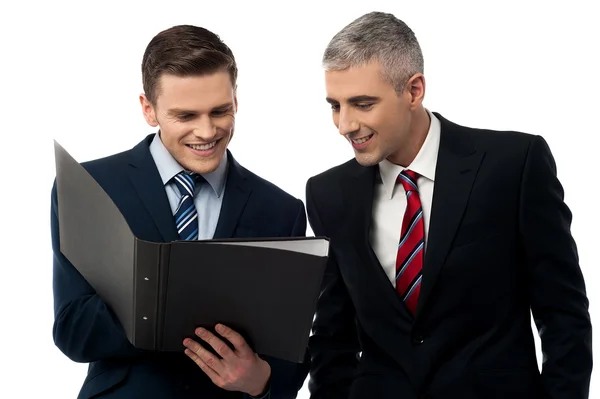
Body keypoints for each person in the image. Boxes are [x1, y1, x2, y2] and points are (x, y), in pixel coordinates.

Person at [305, 11, 592, 399]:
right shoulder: (328, 193)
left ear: (413, 90)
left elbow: (564, 317)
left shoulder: (513, 165)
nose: (344, 125)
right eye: (335, 106)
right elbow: (331, 338)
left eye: (362, 104)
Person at [51, 25, 308, 399]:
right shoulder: (91, 187)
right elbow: (73, 330)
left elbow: (291, 346)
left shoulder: (280, 209)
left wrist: (261, 381)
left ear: (236, 101)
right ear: (148, 109)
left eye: (219, 111)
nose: (206, 131)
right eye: (185, 116)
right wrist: (159, 302)